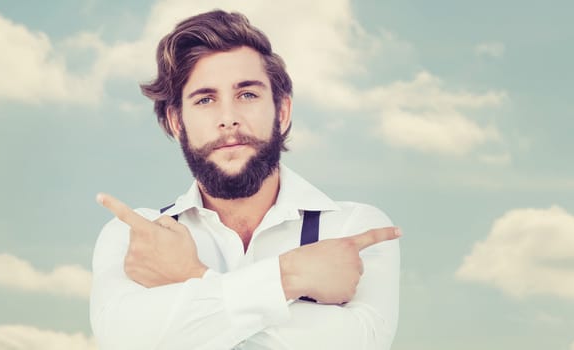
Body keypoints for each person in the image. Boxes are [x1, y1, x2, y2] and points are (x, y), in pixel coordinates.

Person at [90, 10, 401, 350]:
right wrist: (288, 279)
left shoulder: (353, 228)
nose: (228, 118)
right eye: (206, 99)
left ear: (281, 111)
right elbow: (126, 340)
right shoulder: (138, 236)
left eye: (247, 95)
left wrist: (192, 279)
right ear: (177, 121)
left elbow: (359, 342)